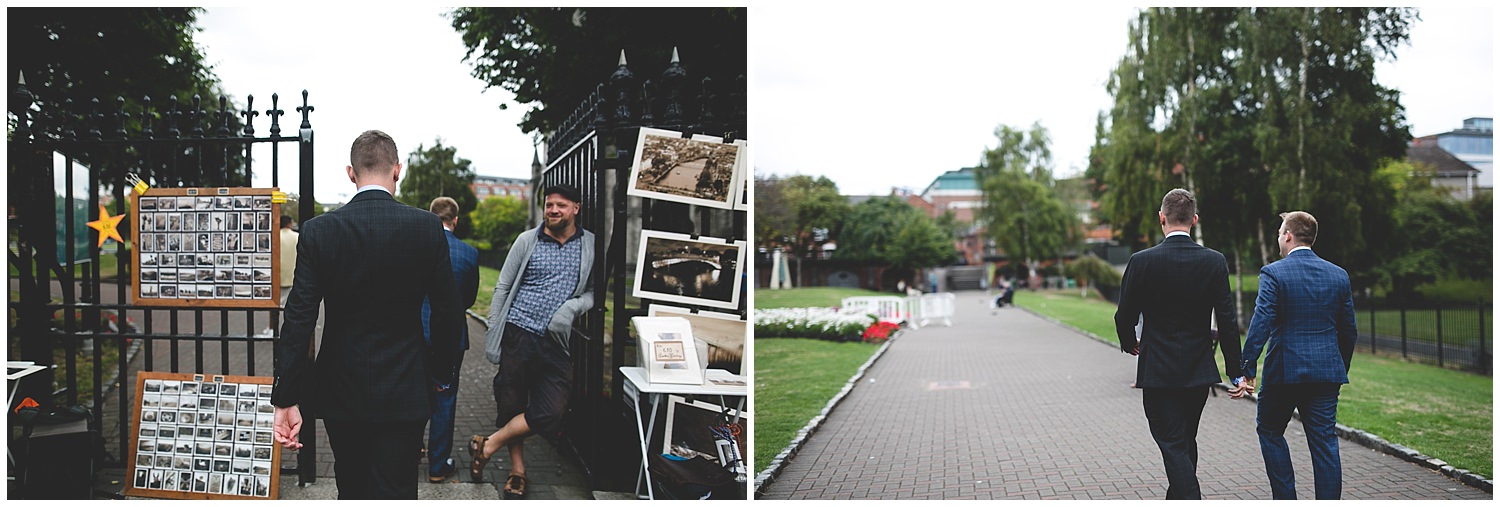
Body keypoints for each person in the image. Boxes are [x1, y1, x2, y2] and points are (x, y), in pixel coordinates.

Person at [270, 130, 462, 499]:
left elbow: (298, 319)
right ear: (398, 170)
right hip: (406, 386)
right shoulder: (426, 227)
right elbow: (448, 311)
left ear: (350, 172)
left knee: (352, 487)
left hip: (343, 389)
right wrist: (441, 371)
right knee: (399, 489)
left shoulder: (320, 230)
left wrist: (286, 396)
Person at [1113, 188, 1243, 500]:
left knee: (1172, 443)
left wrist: (1130, 342)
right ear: (1194, 220)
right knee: (1185, 440)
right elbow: (1227, 322)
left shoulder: (1142, 261)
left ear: (1162, 218)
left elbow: (1124, 315)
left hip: (1158, 368)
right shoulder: (1214, 261)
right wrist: (1235, 372)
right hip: (1198, 371)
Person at [469, 184, 594, 499]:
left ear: (576, 208)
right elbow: (503, 286)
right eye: (549, 205)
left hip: (556, 342)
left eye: (561, 206)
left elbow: (593, 292)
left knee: (551, 410)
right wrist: (495, 328)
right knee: (511, 404)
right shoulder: (528, 240)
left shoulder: (590, 245)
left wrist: (571, 308)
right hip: (518, 334)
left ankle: (489, 444)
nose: (553, 210)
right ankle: (517, 471)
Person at [1232, 211, 1357, 500]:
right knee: (1325, 443)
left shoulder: (1274, 272)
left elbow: (1260, 322)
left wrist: (1247, 368)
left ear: (1288, 235)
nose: (1278, 237)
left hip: (1283, 373)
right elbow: (1349, 330)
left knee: (1270, 431)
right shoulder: (1339, 275)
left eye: (1279, 232)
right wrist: (1339, 367)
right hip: (1326, 373)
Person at [421, 196, 480, 483]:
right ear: (455, 220)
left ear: (431, 217)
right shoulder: (468, 253)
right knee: (444, 398)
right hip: (451, 336)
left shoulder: (416, 248)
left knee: (414, 392)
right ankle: (438, 464)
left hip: (416, 334)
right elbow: (468, 298)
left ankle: (410, 451)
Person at [277, 214, 298, 306]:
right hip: (292, 275)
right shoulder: (297, 236)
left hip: (277, 274)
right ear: (289, 224)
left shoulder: (275, 236)